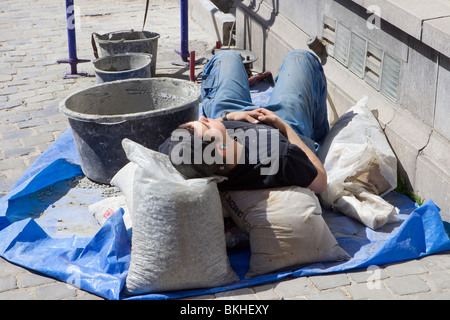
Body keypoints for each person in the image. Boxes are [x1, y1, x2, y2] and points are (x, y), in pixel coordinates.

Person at [159, 49, 329, 194]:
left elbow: (185, 143)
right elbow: (320, 183)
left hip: (235, 120)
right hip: (284, 129)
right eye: (205, 125)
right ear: (221, 149)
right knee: (301, 58)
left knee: (226, 57)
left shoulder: (180, 150)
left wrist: (227, 118)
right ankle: (320, 135)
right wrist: (285, 128)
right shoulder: (280, 156)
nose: (202, 117)